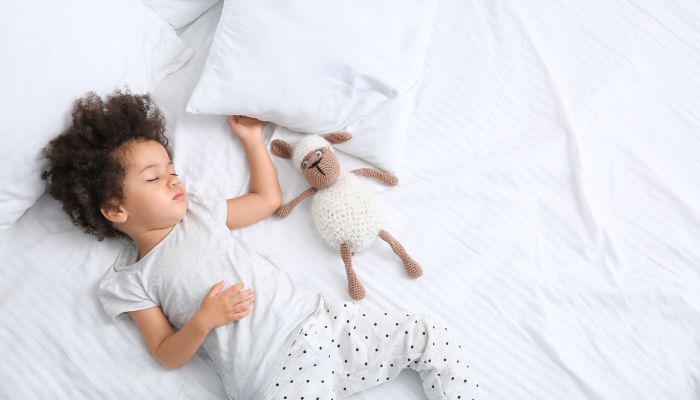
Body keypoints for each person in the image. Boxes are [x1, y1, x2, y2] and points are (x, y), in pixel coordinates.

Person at [42, 89, 479, 400]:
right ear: (116, 210)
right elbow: (165, 355)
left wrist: (253, 142)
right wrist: (201, 322)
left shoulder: (201, 211)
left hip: (323, 323)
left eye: (171, 168)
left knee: (427, 333)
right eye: (154, 178)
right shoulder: (131, 281)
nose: (173, 179)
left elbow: (266, 200)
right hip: (272, 372)